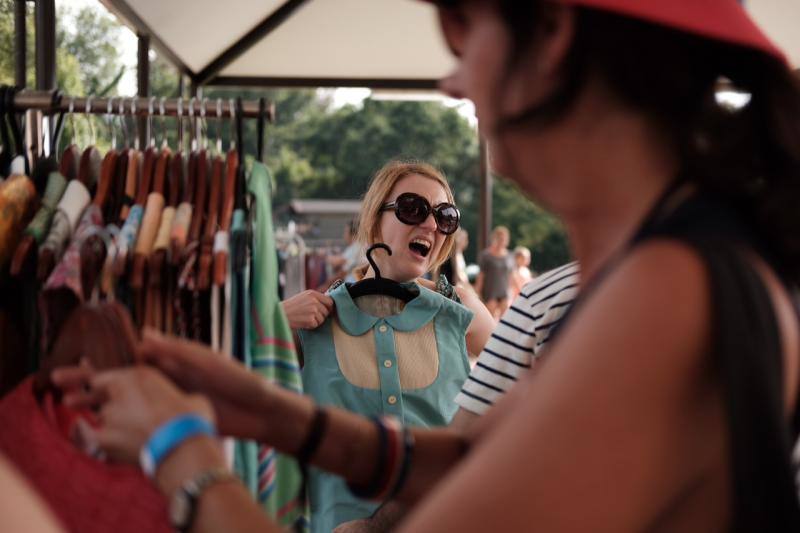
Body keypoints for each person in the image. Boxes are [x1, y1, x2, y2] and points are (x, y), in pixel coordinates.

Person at [52, 1, 800, 531]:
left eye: (460, 26)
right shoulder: (670, 265)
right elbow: (477, 451)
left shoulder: (666, 298)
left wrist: (179, 449)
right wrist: (277, 414)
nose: (451, 81)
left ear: (551, 34)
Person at [474, 226, 514, 319]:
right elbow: (481, 275)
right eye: (499, 238)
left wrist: (511, 292)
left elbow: (511, 276)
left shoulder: (510, 256)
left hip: (504, 293)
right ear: (494, 238)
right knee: (490, 320)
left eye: (504, 238)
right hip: (490, 293)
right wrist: (478, 292)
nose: (502, 240)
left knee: (505, 321)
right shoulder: (486, 255)